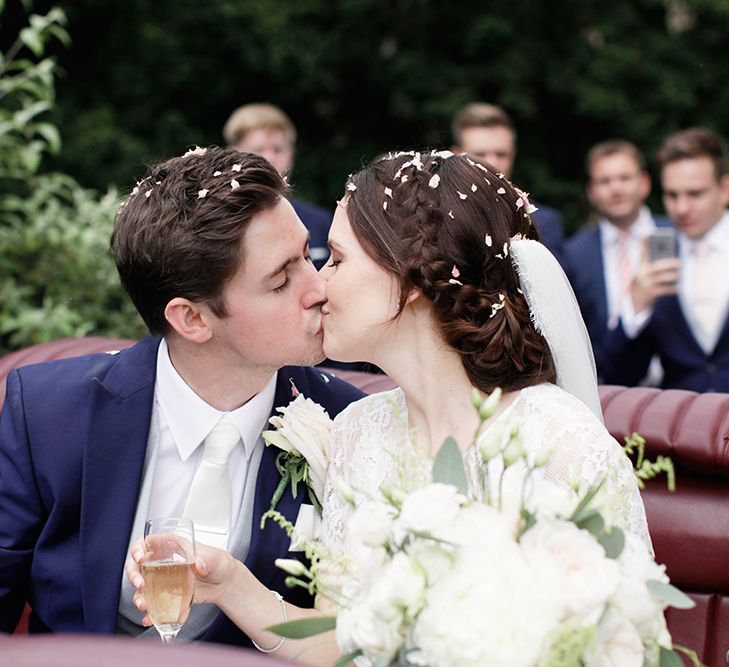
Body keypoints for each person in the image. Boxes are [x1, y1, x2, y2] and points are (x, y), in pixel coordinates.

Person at [127, 150, 650, 664]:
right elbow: (338, 643)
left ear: (412, 278)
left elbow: (626, 647)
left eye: (336, 258)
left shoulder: (557, 445)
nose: (317, 285)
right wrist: (228, 583)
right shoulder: (359, 431)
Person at [0, 147, 364, 642]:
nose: (318, 288)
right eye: (281, 280)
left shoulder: (348, 423)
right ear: (191, 319)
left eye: (309, 256)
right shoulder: (47, 413)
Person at [599, 128, 729, 391]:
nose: (681, 208)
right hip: (684, 424)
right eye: (671, 195)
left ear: (724, 189)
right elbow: (618, 375)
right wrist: (635, 307)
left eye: (695, 194)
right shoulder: (652, 258)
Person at [565, 140, 671, 379]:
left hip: (680, 384)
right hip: (609, 385)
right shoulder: (574, 254)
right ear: (591, 191)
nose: (616, 189)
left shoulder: (676, 236)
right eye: (605, 181)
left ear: (644, 183)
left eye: (624, 178)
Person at [451, 102, 565, 261]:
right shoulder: (435, 218)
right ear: (456, 155)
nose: (492, 163)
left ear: (513, 154)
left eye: (501, 154)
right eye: (480, 154)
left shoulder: (544, 222)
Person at [223, 103, 332, 269]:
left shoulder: (320, 223)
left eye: (278, 149)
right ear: (233, 153)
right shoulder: (219, 222)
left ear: (291, 154)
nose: (269, 158)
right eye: (258, 149)